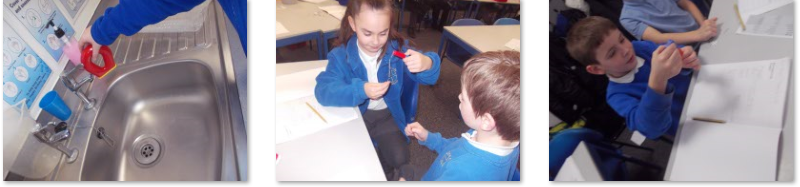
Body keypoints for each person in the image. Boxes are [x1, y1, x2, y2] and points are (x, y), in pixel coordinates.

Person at [313, 0, 441, 181]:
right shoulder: (341, 56)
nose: (375, 42)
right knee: (345, 161)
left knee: (400, 157)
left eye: (383, 33)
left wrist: (427, 63)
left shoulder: (397, 53)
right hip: (355, 116)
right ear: (352, 24)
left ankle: (387, 175)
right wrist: (360, 90)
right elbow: (323, 91)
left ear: (390, 26)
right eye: (367, 33)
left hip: (385, 117)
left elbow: (431, 75)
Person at [566, 16, 700, 139]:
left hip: (702, 94)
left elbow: (673, 49)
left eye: (622, 39)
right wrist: (657, 81)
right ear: (597, 69)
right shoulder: (617, 96)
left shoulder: (641, 48)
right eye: (612, 53)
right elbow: (650, 129)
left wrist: (685, 56)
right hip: (690, 127)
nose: (625, 50)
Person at [403, 50, 520, 181]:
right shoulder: (494, 137)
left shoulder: (463, 173)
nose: (459, 96)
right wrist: (429, 137)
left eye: (463, 98)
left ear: (486, 121)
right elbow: (456, 149)